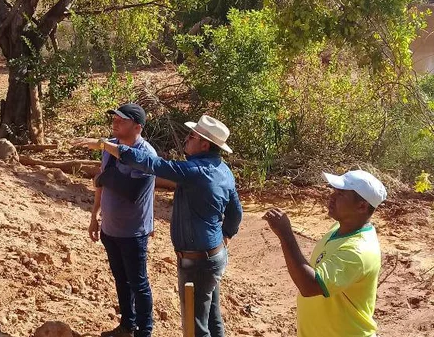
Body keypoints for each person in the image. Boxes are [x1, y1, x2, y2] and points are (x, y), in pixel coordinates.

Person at [76, 115, 243, 337]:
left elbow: (151, 164)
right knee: (212, 318)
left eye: (191, 136)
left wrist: (105, 145)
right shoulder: (223, 170)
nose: (187, 139)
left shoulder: (194, 172)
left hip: (197, 261)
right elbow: (236, 213)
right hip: (214, 255)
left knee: (195, 326)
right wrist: (225, 237)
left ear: (204, 144)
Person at [263, 170, 387, 337]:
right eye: (334, 191)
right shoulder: (338, 229)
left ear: (362, 206)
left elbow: (310, 286)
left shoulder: (358, 251)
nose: (332, 197)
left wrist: (286, 235)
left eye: (341, 194)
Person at [89, 103, 157, 337]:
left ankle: (144, 331)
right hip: (110, 229)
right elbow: (101, 183)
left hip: (134, 232)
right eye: (114, 118)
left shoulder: (147, 154)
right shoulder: (110, 147)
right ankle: (127, 326)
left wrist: (104, 178)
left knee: (139, 283)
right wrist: (94, 215)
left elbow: (132, 191)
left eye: (122, 120)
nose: (115, 123)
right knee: (121, 279)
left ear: (137, 126)